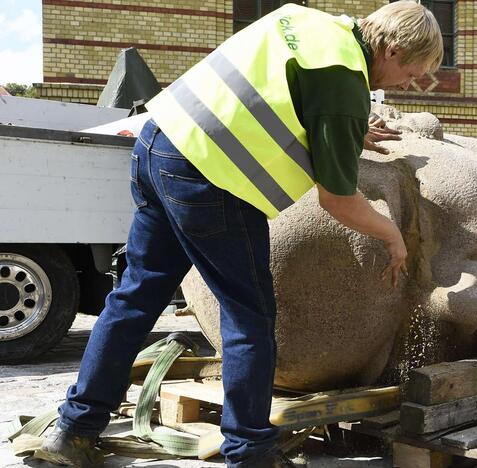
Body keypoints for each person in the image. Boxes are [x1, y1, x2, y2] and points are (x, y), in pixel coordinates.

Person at [39, 2, 443, 468]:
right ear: (391, 49)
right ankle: (250, 452)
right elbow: (339, 201)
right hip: (211, 178)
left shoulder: (310, 23)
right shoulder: (343, 79)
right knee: (248, 316)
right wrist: (392, 235)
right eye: (411, 74)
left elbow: (277, 99)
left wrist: (347, 131)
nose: (407, 85)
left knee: (134, 297)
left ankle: (73, 431)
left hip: (160, 142)